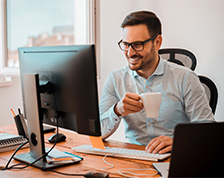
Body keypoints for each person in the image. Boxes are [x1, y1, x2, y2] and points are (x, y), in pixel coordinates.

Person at [99, 11, 215, 154]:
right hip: (134, 158)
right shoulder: (115, 79)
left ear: (157, 42)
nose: (130, 53)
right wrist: (117, 110)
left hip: (175, 157)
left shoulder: (186, 78)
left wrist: (179, 143)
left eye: (137, 44)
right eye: (126, 44)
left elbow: (209, 133)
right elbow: (97, 133)